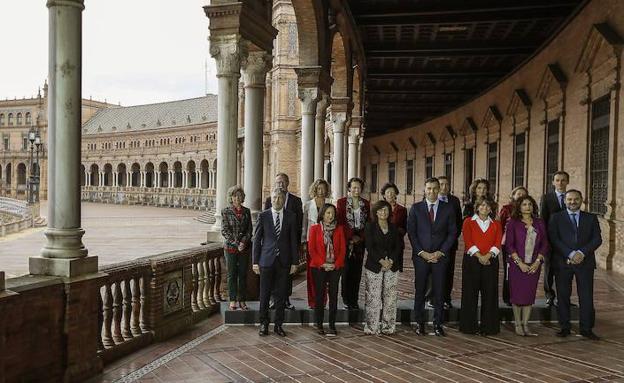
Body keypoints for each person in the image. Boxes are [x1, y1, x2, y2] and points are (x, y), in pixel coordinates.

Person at [549, 190, 602, 340]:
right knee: (563, 296)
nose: (573, 202)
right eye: (570, 199)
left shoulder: (590, 218)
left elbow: (597, 239)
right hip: (563, 262)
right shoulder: (556, 218)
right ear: (565, 201)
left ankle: (586, 328)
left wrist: (581, 253)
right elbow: (554, 238)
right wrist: (570, 254)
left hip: (585, 263)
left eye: (576, 199)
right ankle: (564, 327)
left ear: (581, 200)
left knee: (586, 297)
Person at [407, 177, 457, 336]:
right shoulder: (415, 208)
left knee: (439, 291)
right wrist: (422, 253)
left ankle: (438, 324)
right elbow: (412, 234)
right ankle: (419, 323)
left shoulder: (448, 209)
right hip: (421, 257)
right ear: (424, 189)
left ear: (439, 190)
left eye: (435, 188)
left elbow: (452, 233)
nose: (432, 191)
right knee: (420, 290)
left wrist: (440, 252)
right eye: (429, 188)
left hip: (440, 257)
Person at [253, 188, 299, 337]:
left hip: (284, 262)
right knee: (264, 295)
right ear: (270, 199)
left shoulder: (291, 217)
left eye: (279, 198)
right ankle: (263, 324)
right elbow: (257, 241)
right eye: (274, 198)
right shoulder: (263, 216)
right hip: (266, 261)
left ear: (284, 199)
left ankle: (278, 325)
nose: (276, 200)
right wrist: (255, 261)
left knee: (281, 295)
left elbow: (294, 241)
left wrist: (294, 262)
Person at [505, 195, 548, 336]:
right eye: (524, 204)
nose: (527, 207)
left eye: (530, 204)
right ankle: (518, 324)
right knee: (517, 295)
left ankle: (526, 325)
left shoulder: (539, 223)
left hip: (534, 265)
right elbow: (509, 245)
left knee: (529, 295)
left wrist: (537, 262)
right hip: (517, 265)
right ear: (519, 206)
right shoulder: (512, 223)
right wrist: (519, 263)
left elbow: (545, 244)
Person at [459, 197, 502, 335]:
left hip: (491, 261)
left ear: (491, 209)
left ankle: (488, 327)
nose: (485, 208)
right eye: (482, 205)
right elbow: (468, 241)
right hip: (472, 260)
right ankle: (468, 327)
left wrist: (488, 256)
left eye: (488, 206)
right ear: (477, 207)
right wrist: (480, 256)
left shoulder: (496, 224)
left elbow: (497, 243)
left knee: (490, 294)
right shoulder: (468, 222)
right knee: (470, 294)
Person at [264, 173, 303, 310]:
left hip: (288, 245)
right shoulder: (269, 200)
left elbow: (299, 225)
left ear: (287, 183)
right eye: (277, 182)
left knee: (287, 275)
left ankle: (286, 300)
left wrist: (296, 246)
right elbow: (266, 224)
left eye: (282, 182)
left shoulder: (296, 201)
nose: (280, 185)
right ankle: (274, 299)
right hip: (273, 246)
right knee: (273, 274)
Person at [363, 200, 402, 335]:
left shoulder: (393, 227)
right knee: (373, 298)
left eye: (386, 210)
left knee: (390, 298)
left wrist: (390, 261)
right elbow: (369, 246)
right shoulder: (370, 227)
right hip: (374, 266)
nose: (383, 212)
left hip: (392, 266)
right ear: (376, 212)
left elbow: (398, 247)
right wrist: (381, 261)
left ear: (389, 212)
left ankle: (388, 327)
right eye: (380, 210)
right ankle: (371, 327)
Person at [307, 203, 346, 336]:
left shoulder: (339, 229)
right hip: (319, 267)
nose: (330, 216)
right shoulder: (314, 229)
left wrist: (335, 264)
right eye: (328, 213)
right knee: (319, 296)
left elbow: (342, 250)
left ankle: (332, 324)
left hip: (335, 267)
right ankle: (319, 324)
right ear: (322, 214)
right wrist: (323, 264)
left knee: (334, 297)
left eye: (332, 213)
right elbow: (312, 250)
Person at [337, 177, 370, 310]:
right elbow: (340, 222)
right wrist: (350, 237)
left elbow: (368, 222)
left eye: (359, 187)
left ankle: (354, 299)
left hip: (360, 242)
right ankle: (346, 299)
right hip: (346, 241)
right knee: (346, 271)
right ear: (349, 188)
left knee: (357, 272)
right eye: (354, 187)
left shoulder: (366, 204)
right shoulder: (342, 202)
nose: (356, 190)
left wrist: (360, 237)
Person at [539, 171, 570, 307]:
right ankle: (549, 295)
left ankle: (564, 298)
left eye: (563, 180)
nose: (560, 183)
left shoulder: (571, 197)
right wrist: (545, 241)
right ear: (553, 182)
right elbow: (543, 220)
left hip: (567, 242)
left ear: (567, 182)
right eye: (557, 180)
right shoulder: (546, 198)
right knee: (549, 270)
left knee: (566, 271)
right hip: (551, 241)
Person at [221, 185, 253, 311]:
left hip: (244, 248)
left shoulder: (247, 211)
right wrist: (236, 243)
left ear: (242, 197)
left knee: (243, 275)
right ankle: (233, 300)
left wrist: (243, 242)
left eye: (239, 195)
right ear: (231, 197)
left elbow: (249, 230)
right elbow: (224, 230)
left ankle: (242, 300)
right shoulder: (225, 211)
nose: (237, 198)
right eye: (234, 196)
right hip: (230, 248)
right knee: (232, 275)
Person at [433, 175, 463, 309]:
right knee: (433, 271)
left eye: (447, 184)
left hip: (450, 244)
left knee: (448, 271)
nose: (444, 187)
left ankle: (446, 298)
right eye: (442, 184)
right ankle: (432, 298)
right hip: (433, 244)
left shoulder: (455, 201)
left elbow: (458, 222)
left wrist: (452, 238)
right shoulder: (430, 199)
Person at [302, 179, 331, 308]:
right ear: (314, 189)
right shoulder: (308, 205)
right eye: (319, 188)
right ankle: (312, 301)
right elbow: (304, 226)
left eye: (323, 189)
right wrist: (303, 242)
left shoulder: (330, 204)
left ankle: (323, 300)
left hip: (326, 243)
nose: (321, 191)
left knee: (324, 273)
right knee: (311, 273)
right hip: (311, 242)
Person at [498, 186, 529, 305]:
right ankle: (509, 297)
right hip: (509, 244)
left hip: (525, 245)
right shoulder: (506, 209)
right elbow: (500, 226)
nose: (520, 196)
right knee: (510, 271)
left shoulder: (529, 208)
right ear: (513, 195)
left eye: (523, 194)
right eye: (518, 193)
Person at [381, 182, 407, 273]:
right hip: (381, 246)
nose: (390, 194)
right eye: (388, 192)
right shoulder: (377, 208)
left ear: (396, 194)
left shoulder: (402, 210)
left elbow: (404, 228)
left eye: (393, 192)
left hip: (396, 245)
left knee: (393, 273)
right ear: (384, 195)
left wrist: (395, 230)